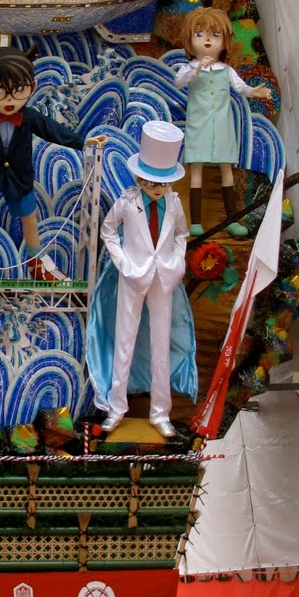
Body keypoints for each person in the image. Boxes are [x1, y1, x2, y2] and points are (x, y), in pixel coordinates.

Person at [0, 46, 102, 283]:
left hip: (19, 179)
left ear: (31, 87)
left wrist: (83, 142)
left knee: (29, 222)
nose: (10, 99)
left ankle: (38, 262)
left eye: (18, 90)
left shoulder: (29, 116)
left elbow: (53, 130)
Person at [90, 121, 194, 439]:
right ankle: (116, 408)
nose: (157, 188)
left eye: (163, 183)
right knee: (124, 341)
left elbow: (182, 234)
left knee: (161, 344)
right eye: (151, 182)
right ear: (139, 178)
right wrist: (123, 262)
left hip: (164, 278)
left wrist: (177, 262)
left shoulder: (174, 204)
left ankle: (161, 412)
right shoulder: (128, 201)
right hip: (133, 276)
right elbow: (108, 230)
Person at [171, 7, 274, 235]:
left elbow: (241, 87)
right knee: (196, 171)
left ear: (224, 42)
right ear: (189, 40)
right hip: (198, 126)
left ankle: (232, 221)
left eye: (215, 35)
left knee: (226, 169)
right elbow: (178, 82)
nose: (207, 40)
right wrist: (197, 68)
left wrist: (254, 92)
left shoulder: (226, 70)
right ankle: (196, 222)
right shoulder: (189, 68)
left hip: (223, 127)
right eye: (200, 34)